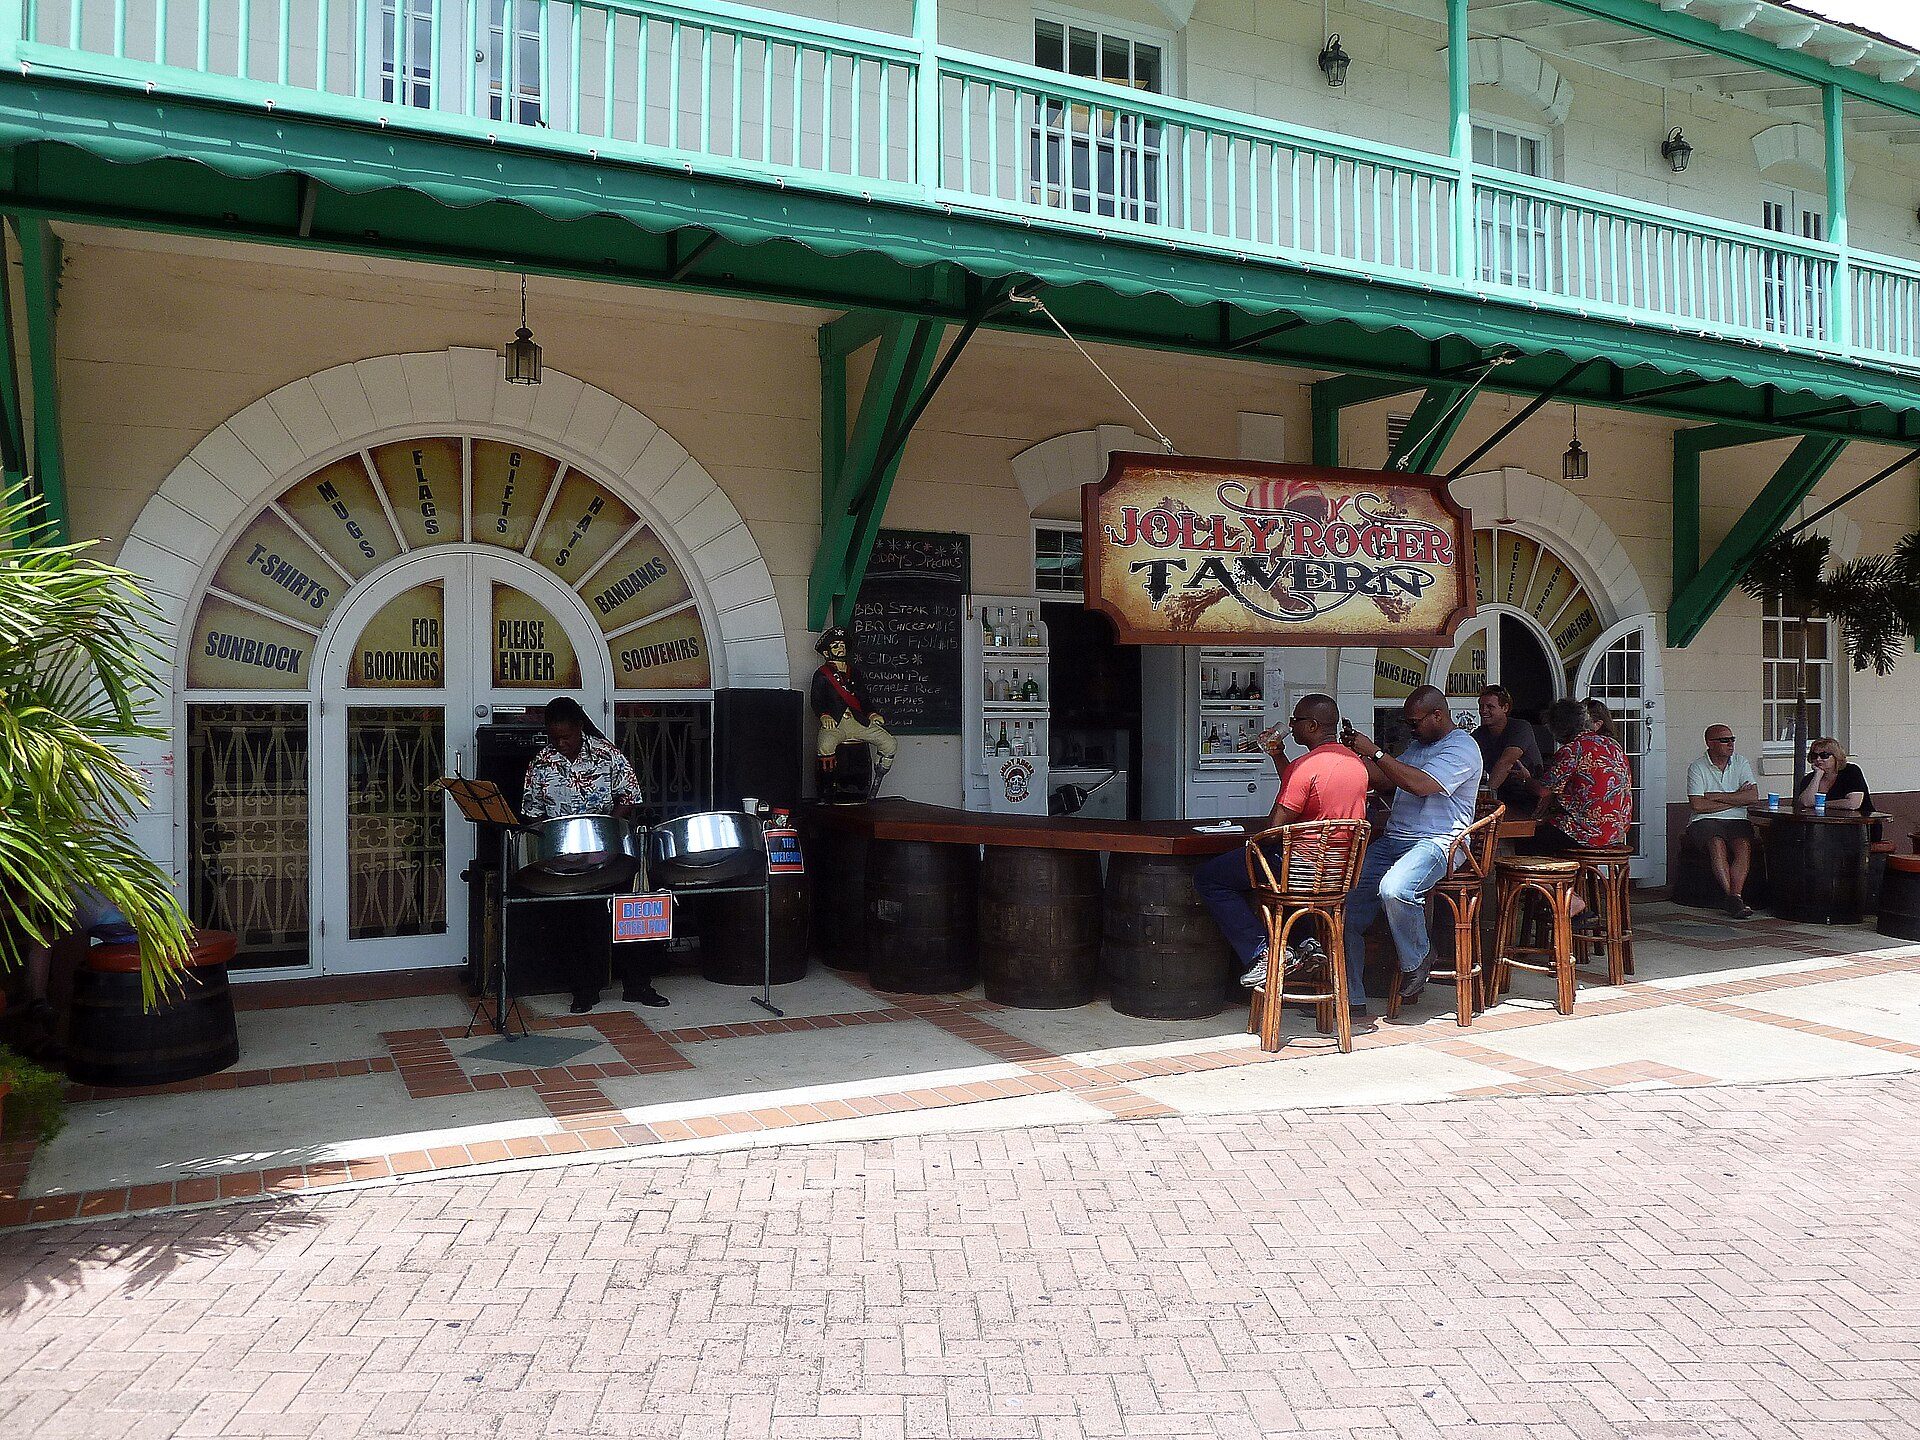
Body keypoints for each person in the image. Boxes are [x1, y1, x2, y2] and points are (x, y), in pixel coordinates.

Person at [1192, 694, 1369, 993]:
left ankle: (1262, 954)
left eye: (1296, 720)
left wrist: (1252, 843)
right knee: (1280, 873)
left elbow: (1275, 828)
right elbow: (1308, 789)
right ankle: (1307, 943)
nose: (1290, 725)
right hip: (1337, 875)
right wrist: (1277, 755)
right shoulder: (1355, 764)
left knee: (1211, 877)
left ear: (1312, 725)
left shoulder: (1306, 766)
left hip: (1300, 870)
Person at [1341, 685, 1484, 1008]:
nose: (1411, 728)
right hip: (1395, 840)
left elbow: (1419, 785)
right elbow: (1387, 779)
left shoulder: (1462, 747)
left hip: (1438, 841)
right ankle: (1353, 998)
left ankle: (1419, 958)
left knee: (1395, 889)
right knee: (1345, 907)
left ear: (1438, 715)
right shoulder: (1419, 745)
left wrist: (1376, 752)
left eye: (1414, 722)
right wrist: (1357, 755)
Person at [519, 696, 664, 1013]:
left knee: (627, 920)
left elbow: (629, 794)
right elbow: (533, 814)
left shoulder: (606, 754)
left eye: (566, 736)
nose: (561, 743)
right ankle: (585, 990)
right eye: (555, 737)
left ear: (579, 727)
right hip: (566, 860)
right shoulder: (540, 764)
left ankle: (638, 986)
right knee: (576, 925)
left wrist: (610, 827)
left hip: (607, 853)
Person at [1524, 698, 1634, 922]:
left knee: (1530, 841)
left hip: (1588, 833)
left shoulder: (1572, 750)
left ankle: (1569, 899)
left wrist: (1527, 780)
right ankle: (1565, 904)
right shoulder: (1612, 745)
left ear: (1556, 728)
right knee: (1549, 836)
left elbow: (1543, 790)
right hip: (1616, 831)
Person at [1686, 724, 1760, 919]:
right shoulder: (1697, 767)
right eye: (1725, 740)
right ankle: (1733, 898)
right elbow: (1698, 806)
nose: (1731, 744)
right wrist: (1736, 797)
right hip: (1705, 820)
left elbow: (1753, 797)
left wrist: (1716, 796)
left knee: (1743, 846)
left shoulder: (1740, 762)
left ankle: (1733, 897)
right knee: (1716, 843)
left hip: (1736, 819)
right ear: (1710, 743)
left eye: (1732, 739)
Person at [810, 626, 896, 794]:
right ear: (827, 653)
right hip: (836, 724)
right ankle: (826, 791)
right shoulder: (822, 674)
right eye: (835, 645)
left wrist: (872, 713)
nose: (840, 648)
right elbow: (816, 700)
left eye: (842, 645)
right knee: (825, 746)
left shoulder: (854, 673)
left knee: (890, 743)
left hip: (859, 722)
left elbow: (864, 698)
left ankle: (877, 782)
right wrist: (824, 715)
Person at [1473, 685, 1542, 812]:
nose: (1483, 711)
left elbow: (1506, 762)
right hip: (1501, 798)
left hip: (1527, 798)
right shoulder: (1479, 734)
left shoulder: (1520, 728)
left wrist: (1486, 795)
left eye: (1490, 707)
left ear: (1505, 708)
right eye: (1481, 706)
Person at [1798, 738, 1873, 815]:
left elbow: (1853, 804)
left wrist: (1820, 804)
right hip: (1822, 823)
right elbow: (1806, 803)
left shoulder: (1850, 771)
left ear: (1836, 756)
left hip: (1856, 822)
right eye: (1814, 755)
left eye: (1824, 755)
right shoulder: (1810, 778)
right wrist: (1818, 775)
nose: (1818, 759)